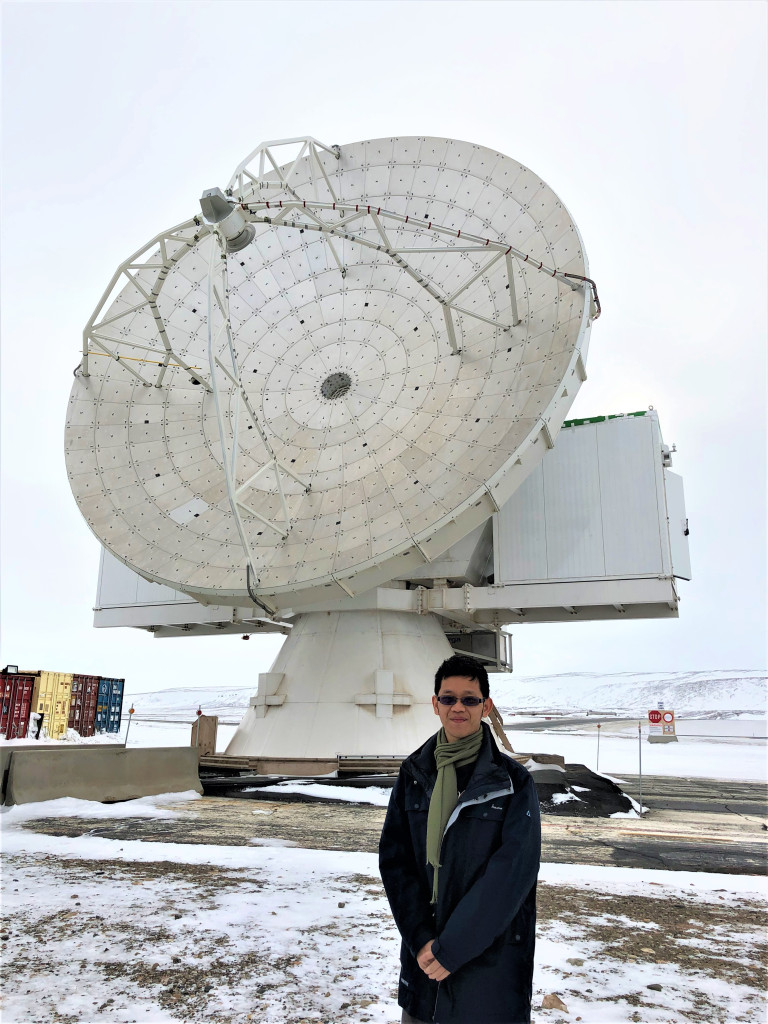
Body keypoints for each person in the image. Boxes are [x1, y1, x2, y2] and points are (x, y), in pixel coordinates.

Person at [378, 654, 541, 1024]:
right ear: (435, 704)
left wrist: (452, 950)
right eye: (448, 698)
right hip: (424, 965)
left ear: (486, 706)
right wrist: (421, 940)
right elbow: (396, 860)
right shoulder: (414, 773)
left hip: (488, 967)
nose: (458, 707)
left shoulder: (512, 782)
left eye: (469, 699)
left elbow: (511, 874)